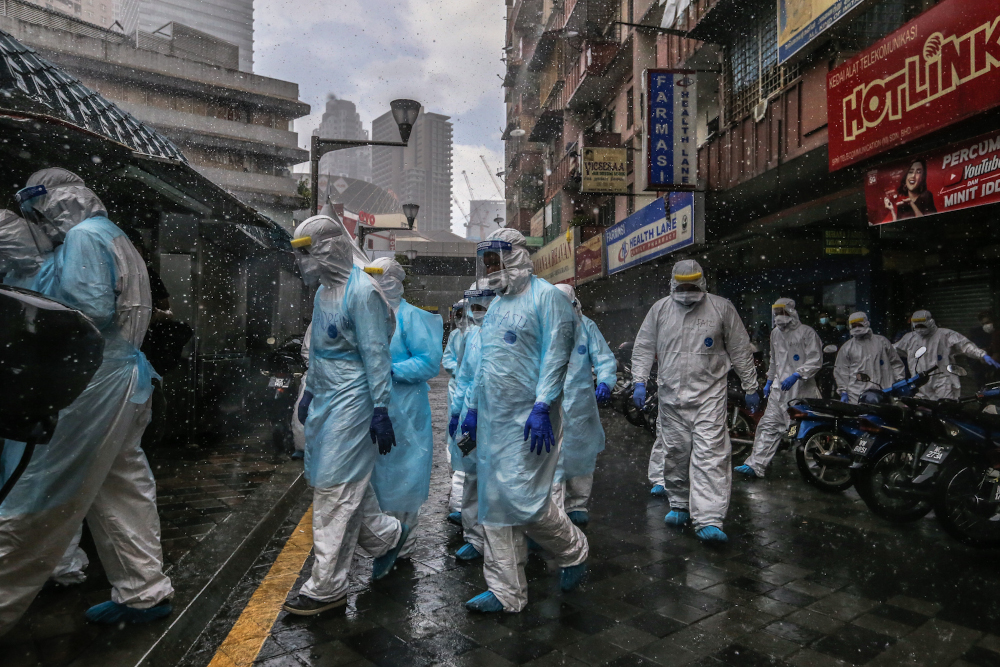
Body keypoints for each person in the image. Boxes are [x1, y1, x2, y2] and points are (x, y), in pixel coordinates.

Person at [0, 168, 173, 632]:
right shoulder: (112, 234)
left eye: (37, 206)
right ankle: (144, 591)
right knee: (121, 489)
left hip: (90, 385)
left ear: (56, 201)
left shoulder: (82, 238)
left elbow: (85, 313)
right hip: (126, 380)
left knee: (37, 491)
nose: (36, 219)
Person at [283, 215, 408, 615]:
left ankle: (327, 586)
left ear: (327, 249)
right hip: (326, 400)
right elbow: (319, 350)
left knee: (334, 489)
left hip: (356, 401)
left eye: (307, 253)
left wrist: (381, 407)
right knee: (342, 481)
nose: (303, 263)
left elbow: (376, 356)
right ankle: (387, 537)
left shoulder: (363, 293)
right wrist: (312, 391)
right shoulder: (324, 294)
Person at [460, 228, 587, 613]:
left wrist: (542, 404)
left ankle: (574, 548)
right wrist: (473, 408)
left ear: (515, 256)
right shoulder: (496, 307)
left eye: (496, 260)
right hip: (494, 420)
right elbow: (486, 364)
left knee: (524, 499)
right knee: (494, 502)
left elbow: (557, 356)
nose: (491, 268)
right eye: (487, 262)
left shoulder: (546, 298)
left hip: (533, 419)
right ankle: (505, 591)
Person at [631, 259, 758, 543]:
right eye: (682, 285)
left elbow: (739, 349)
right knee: (675, 453)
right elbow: (643, 347)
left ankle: (710, 518)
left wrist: (751, 384)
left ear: (701, 282)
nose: (686, 291)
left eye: (692, 285)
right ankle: (679, 503)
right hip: (671, 397)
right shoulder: (660, 310)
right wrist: (639, 381)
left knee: (710, 456)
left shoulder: (721, 308)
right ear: (673, 283)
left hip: (710, 397)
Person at [369, 257, 443, 558]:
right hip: (373, 407)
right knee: (376, 476)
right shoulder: (368, 313)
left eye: (382, 277)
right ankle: (384, 539)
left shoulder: (412, 318)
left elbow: (428, 362)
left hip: (407, 410)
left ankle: (403, 547)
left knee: (406, 475)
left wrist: (389, 371)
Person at [735, 299, 822, 478]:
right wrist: (769, 381)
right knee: (768, 426)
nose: (778, 317)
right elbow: (774, 360)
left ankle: (815, 466)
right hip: (778, 390)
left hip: (801, 391)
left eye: (782, 312)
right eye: (776, 313)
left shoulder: (806, 333)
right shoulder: (775, 334)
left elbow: (815, 360)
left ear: (791, 311)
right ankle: (755, 465)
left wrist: (797, 374)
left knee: (801, 431)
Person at [552, 283, 616, 526]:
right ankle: (553, 509)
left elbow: (603, 357)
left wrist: (606, 382)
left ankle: (577, 503)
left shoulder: (587, 326)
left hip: (580, 404)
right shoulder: (543, 328)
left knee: (581, 456)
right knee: (552, 457)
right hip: (550, 402)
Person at [448, 281, 494, 561]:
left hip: (502, 418)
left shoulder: (507, 332)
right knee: (474, 477)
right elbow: (464, 377)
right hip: (474, 417)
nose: (476, 312)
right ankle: (475, 537)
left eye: (480, 306)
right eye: (473, 306)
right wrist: (457, 412)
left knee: (502, 481)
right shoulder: (472, 336)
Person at [896, 310, 1000, 400]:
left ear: (930, 321)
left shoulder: (945, 335)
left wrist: (982, 355)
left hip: (943, 380)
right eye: (917, 325)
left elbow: (965, 346)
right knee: (925, 411)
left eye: (922, 324)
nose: (920, 328)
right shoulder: (909, 338)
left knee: (946, 409)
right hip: (920, 383)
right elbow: (892, 350)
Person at [833, 312, 904, 403]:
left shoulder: (882, 342)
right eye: (854, 326)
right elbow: (841, 371)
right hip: (856, 395)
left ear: (866, 323)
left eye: (859, 324)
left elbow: (896, 363)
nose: (857, 328)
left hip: (884, 391)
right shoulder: (847, 348)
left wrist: (899, 382)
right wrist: (843, 391)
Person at [443, 299, 470, 524]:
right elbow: (448, 360)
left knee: (467, 447)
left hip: (472, 400)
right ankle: (459, 500)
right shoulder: (455, 336)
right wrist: (459, 370)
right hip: (457, 396)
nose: (461, 317)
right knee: (456, 444)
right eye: (458, 313)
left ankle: (464, 506)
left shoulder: (478, 335)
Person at [290, 323, 312, 460]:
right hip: (316, 375)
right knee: (300, 413)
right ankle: (302, 448)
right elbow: (307, 350)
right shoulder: (319, 317)